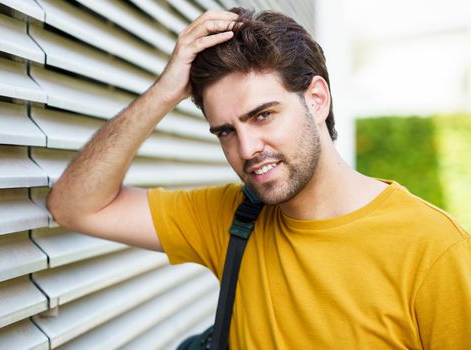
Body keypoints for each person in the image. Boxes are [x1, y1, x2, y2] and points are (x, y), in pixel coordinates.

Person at [47, 7, 471, 349]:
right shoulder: (230, 217)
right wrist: (164, 92)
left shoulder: (434, 250)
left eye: (262, 115)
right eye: (227, 131)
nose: (247, 149)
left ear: (317, 99)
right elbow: (75, 206)